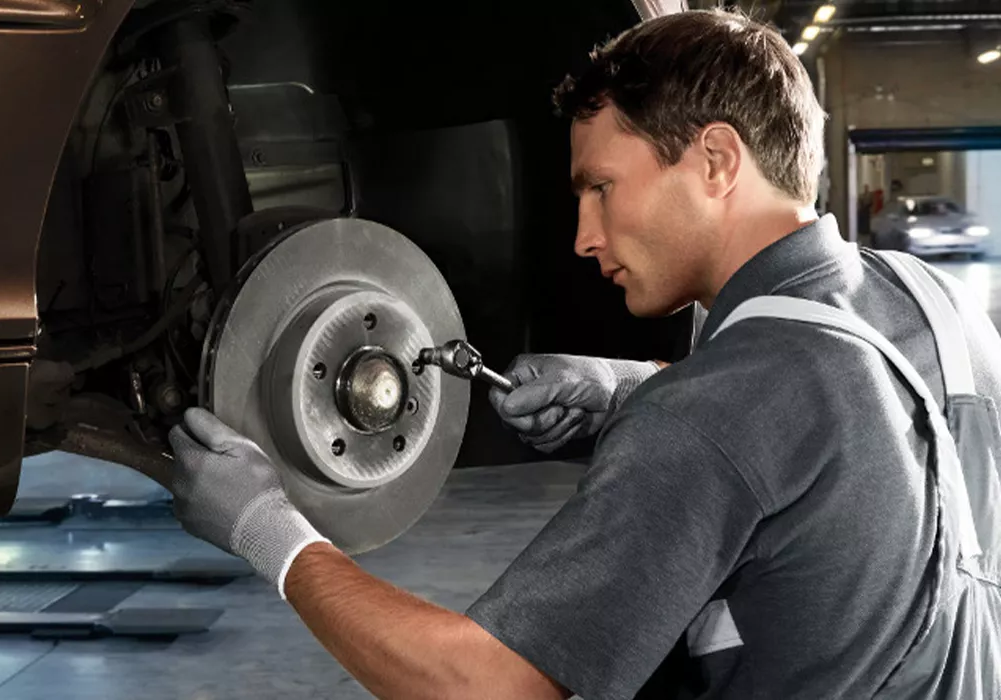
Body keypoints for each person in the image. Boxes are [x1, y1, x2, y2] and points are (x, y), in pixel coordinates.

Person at [167, 9, 1001, 699]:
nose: (583, 236)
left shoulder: (716, 412)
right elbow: (831, 435)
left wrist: (268, 530)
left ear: (716, 161)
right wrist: (622, 387)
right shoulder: (932, 303)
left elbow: (481, 686)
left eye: (600, 187)